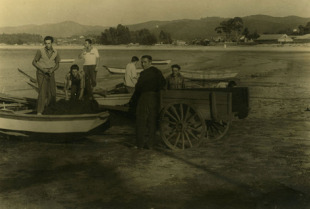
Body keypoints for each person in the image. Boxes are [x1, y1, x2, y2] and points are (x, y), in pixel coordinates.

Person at [132, 55, 166, 149]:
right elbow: (163, 83)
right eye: (142, 62)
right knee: (152, 121)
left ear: (150, 62)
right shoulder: (157, 72)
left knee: (141, 120)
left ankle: (140, 144)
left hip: (145, 97)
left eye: (145, 62)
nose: (143, 64)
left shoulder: (143, 74)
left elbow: (138, 88)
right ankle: (150, 144)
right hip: (155, 98)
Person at [32, 36, 60, 115]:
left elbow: (57, 64)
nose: (47, 45)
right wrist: (43, 70)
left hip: (51, 73)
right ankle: (39, 112)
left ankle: (50, 109)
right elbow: (34, 62)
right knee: (42, 92)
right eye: (46, 43)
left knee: (52, 92)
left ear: (52, 43)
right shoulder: (40, 51)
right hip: (41, 73)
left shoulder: (56, 52)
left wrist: (52, 70)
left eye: (49, 43)